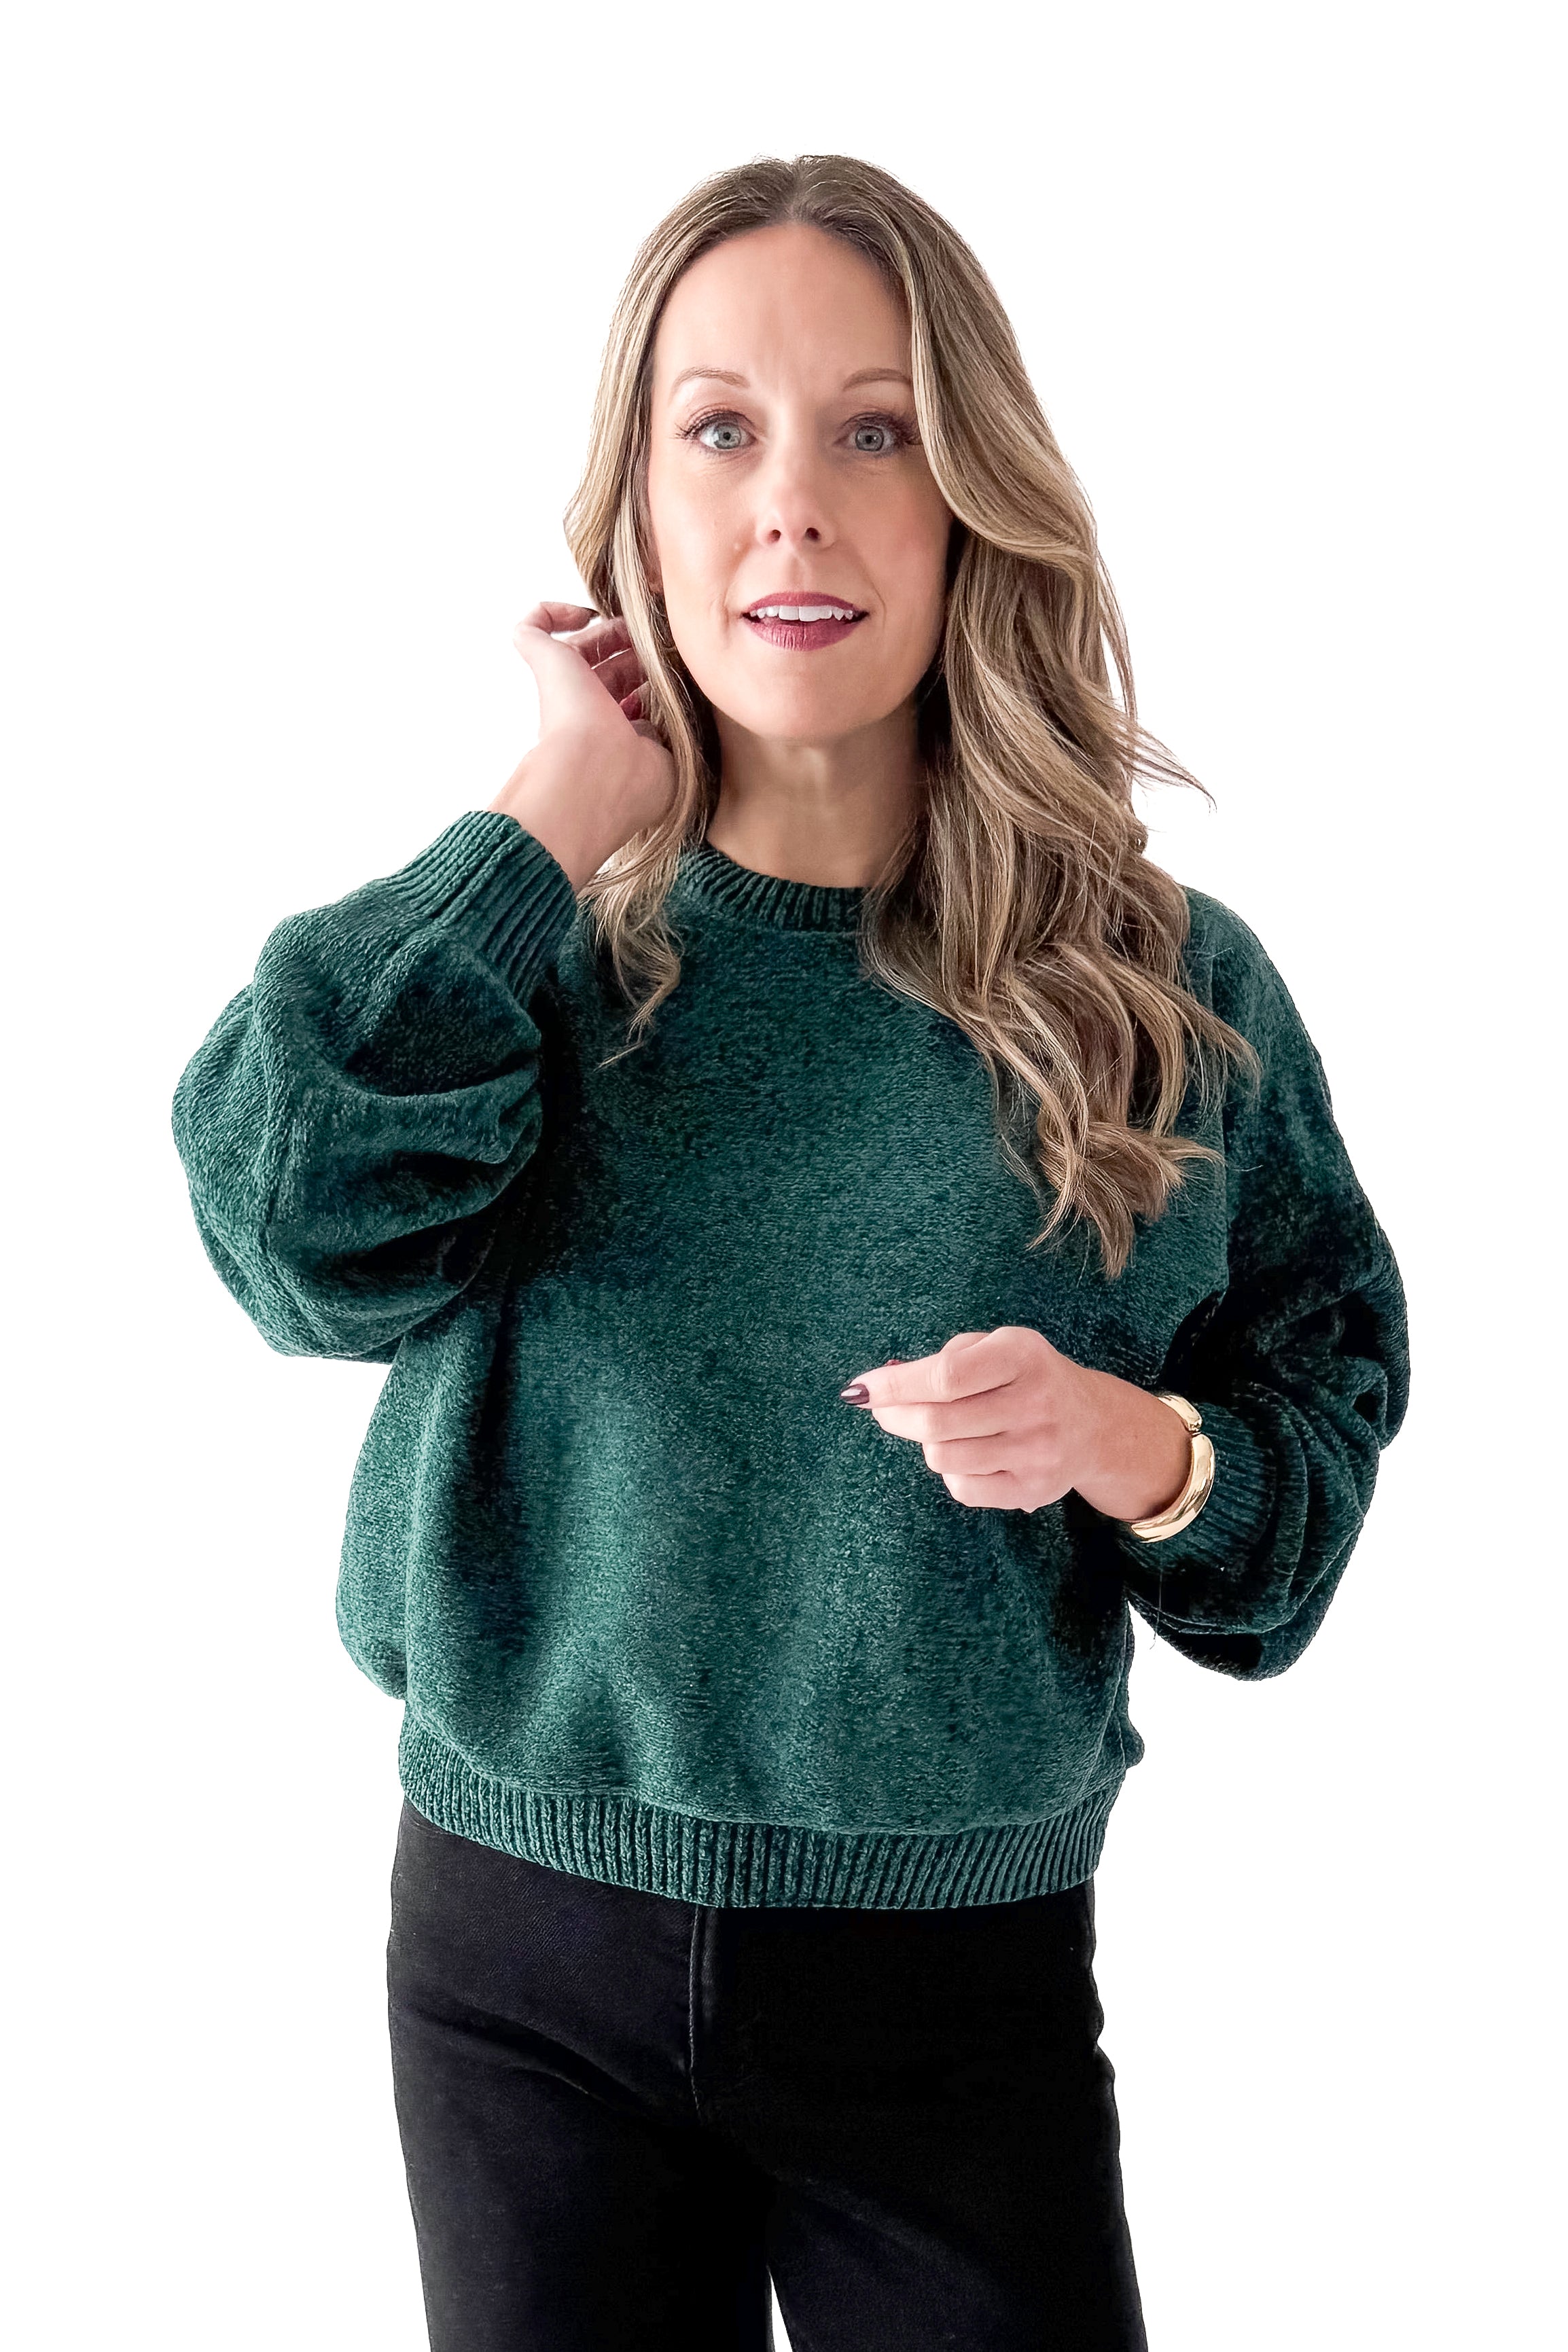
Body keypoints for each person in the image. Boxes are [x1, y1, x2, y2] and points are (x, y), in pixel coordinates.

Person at [171, 153, 1410, 2352]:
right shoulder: (512, 949)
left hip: (954, 1984)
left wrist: (1132, 1442)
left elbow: (1303, 1464)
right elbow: (291, 1247)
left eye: (875, 430)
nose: (793, 510)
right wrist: (544, 822)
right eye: (718, 430)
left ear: (971, 499)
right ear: (634, 505)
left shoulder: (1158, 989)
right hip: (515, 1964)